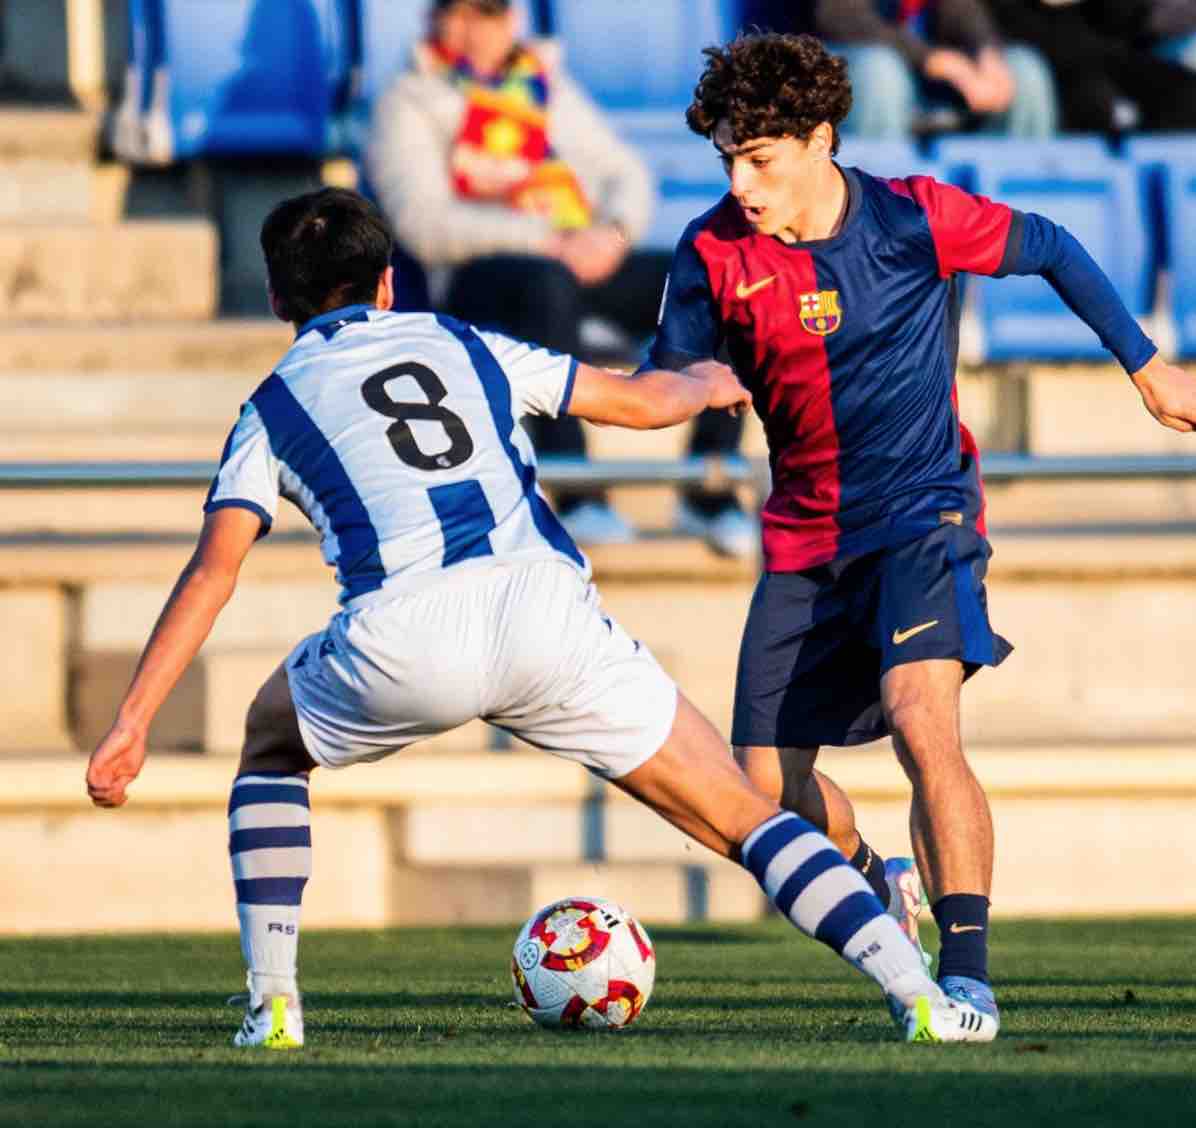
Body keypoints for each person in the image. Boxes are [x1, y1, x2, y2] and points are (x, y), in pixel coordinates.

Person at [84, 187, 995, 1049]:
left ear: (280, 298)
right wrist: (722, 381)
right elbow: (641, 401)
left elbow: (213, 572)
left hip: (400, 640)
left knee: (271, 745)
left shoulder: (271, 405)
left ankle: (273, 1005)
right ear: (390, 281)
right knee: (740, 811)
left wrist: (133, 724)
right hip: (543, 615)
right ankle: (919, 997)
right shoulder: (461, 342)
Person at [647, 32, 1196, 1032]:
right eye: (725, 159)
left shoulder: (908, 218)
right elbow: (668, 370)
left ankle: (968, 975)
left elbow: (1052, 244)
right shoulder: (709, 251)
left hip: (920, 513)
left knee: (918, 716)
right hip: (802, 542)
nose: (740, 182)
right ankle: (871, 873)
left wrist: (1146, 365)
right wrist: (674, 388)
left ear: (819, 141)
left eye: (758, 159)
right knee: (762, 798)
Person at [366, 0, 753, 556]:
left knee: (711, 278)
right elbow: (424, 224)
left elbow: (625, 172)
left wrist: (613, 236)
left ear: (513, 22)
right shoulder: (408, 99)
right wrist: (550, 242)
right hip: (476, 275)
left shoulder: (543, 84)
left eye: (489, 13)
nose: (474, 28)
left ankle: (709, 488)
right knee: (544, 283)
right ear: (435, 20)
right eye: (459, 12)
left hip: (575, 255)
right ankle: (576, 489)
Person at [812, 0, 1057, 138]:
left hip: (927, 73)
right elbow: (840, 18)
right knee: (879, 72)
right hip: (849, 64)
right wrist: (934, 61)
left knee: (1024, 70)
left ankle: (1020, 216)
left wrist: (987, 54)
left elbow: (961, 11)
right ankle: (875, 207)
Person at [987, 0, 1196, 132]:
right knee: (1095, 101)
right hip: (1059, 74)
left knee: (1185, 94)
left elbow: (1142, 21)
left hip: (1117, 62)